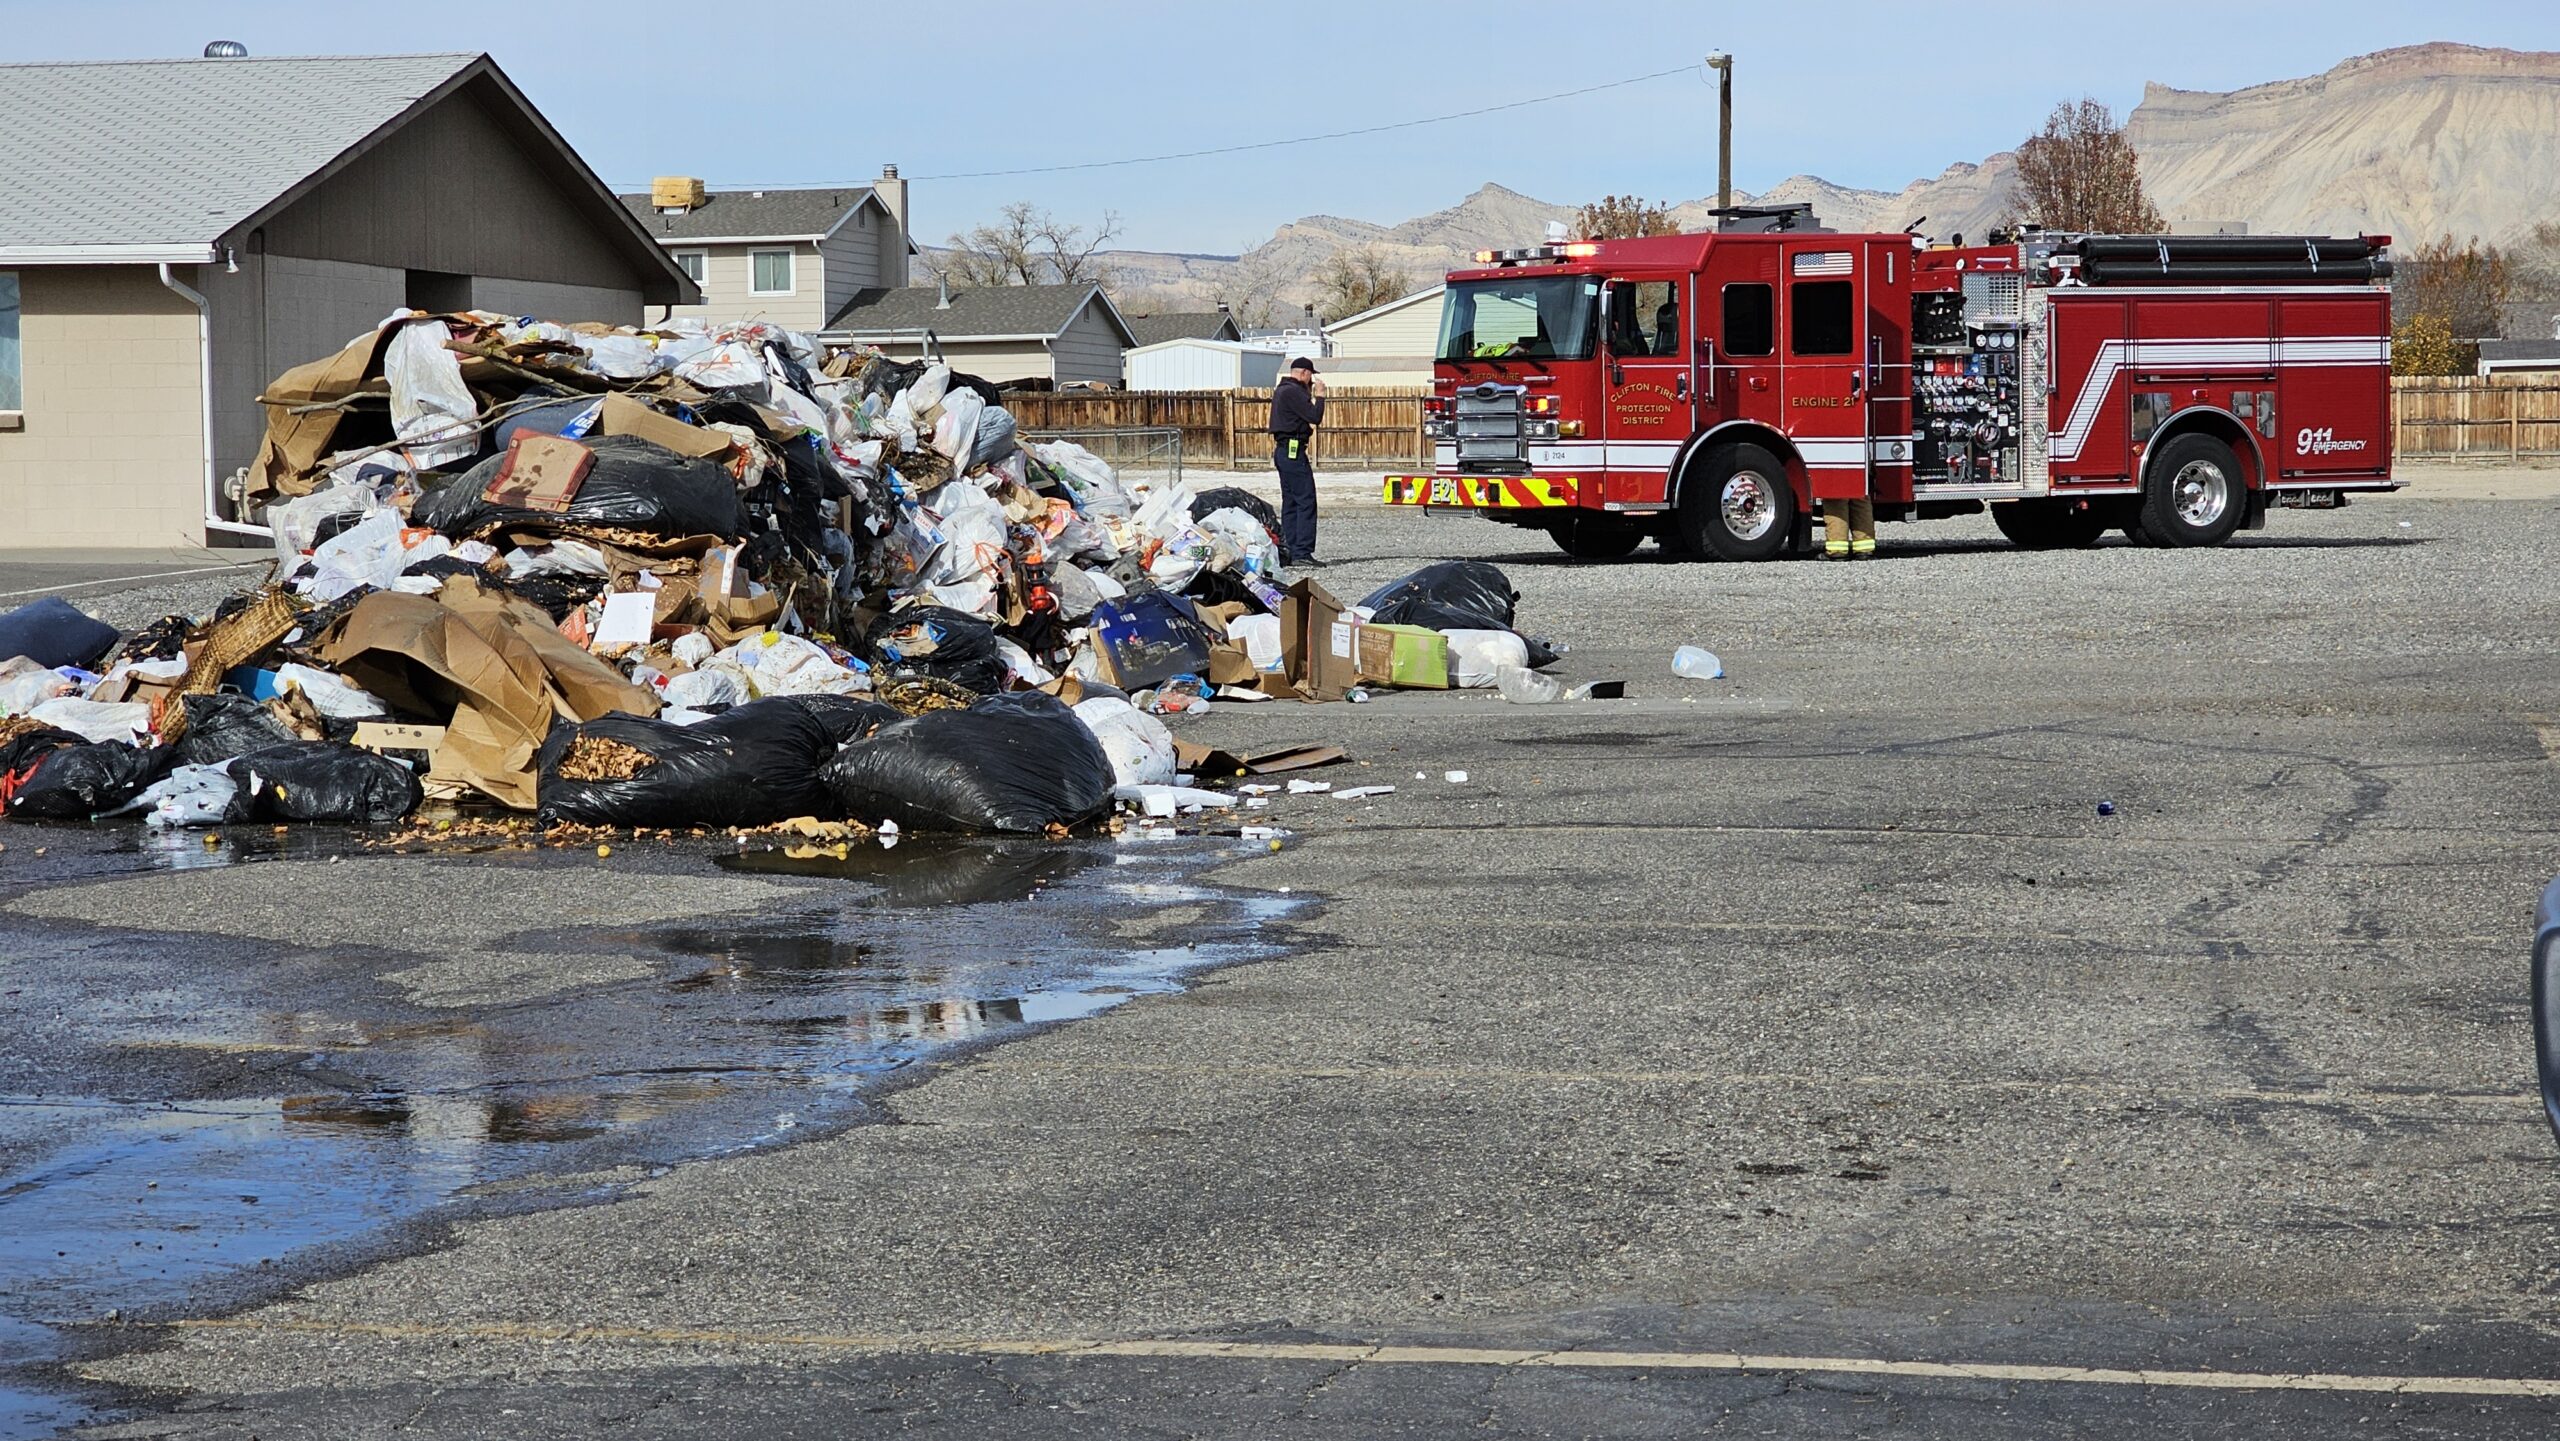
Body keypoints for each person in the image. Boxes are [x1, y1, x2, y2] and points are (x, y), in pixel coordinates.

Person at [1269, 357, 1327, 567]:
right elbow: (1314, 416)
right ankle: (1302, 551)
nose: (1311, 381)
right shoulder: (1293, 392)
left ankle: (1290, 550)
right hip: (1293, 452)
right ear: (1304, 373)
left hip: (1284, 450)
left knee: (1291, 501)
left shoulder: (1283, 390)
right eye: (1311, 376)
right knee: (1305, 500)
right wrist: (1320, 397)